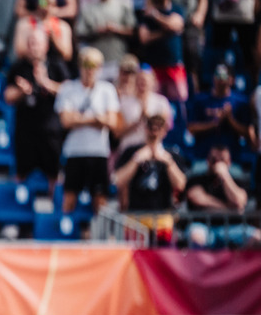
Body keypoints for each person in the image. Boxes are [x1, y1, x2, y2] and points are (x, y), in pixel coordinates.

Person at [55, 47, 120, 216]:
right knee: (69, 197)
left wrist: (80, 118)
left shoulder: (107, 90)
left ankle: (100, 238)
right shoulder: (68, 88)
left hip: (98, 152)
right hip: (74, 151)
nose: (90, 70)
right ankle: (66, 234)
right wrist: (96, 119)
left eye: (94, 65)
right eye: (86, 65)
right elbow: (65, 121)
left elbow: (112, 122)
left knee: (100, 199)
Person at [3, 28, 68, 191]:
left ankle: (56, 211)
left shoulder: (56, 65)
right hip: (25, 130)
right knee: (21, 172)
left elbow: (69, 91)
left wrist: (46, 83)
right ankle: (18, 209)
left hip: (50, 130)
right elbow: (7, 96)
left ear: (45, 45)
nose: (34, 47)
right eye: (31, 43)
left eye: (37, 43)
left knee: (54, 174)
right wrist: (21, 92)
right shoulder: (19, 66)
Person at [112, 112, 187, 242]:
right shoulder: (132, 151)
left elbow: (181, 184)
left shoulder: (172, 154)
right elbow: (117, 180)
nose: (154, 132)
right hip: (136, 216)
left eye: (158, 128)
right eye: (151, 127)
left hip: (162, 218)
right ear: (145, 129)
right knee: (137, 258)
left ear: (165, 131)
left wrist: (167, 162)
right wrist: (136, 160)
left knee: (162, 256)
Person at [184, 144, 259, 249]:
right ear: (208, 161)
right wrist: (229, 208)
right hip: (203, 226)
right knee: (196, 237)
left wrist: (224, 175)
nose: (218, 164)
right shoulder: (196, 179)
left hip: (233, 228)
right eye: (214, 160)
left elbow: (239, 201)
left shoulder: (237, 181)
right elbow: (197, 198)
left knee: (258, 238)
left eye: (222, 160)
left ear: (229, 163)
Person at [187, 63, 251, 164]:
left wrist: (230, 119)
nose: (220, 79)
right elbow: (191, 128)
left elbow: (247, 132)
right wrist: (214, 123)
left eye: (223, 76)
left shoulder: (241, 102)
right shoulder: (200, 100)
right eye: (217, 75)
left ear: (231, 79)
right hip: (203, 159)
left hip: (232, 161)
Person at [138, 0, 188, 105]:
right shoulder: (145, 16)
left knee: (179, 103)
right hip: (154, 67)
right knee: (155, 104)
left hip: (174, 65)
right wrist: (168, 31)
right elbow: (144, 38)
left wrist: (155, 15)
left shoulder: (177, 9)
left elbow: (176, 25)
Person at [74, 0, 136, 83]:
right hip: (96, 63)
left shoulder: (123, 6)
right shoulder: (88, 8)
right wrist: (97, 31)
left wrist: (116, 29)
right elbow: (79, 33)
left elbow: (132, 31)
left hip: (117, 59)